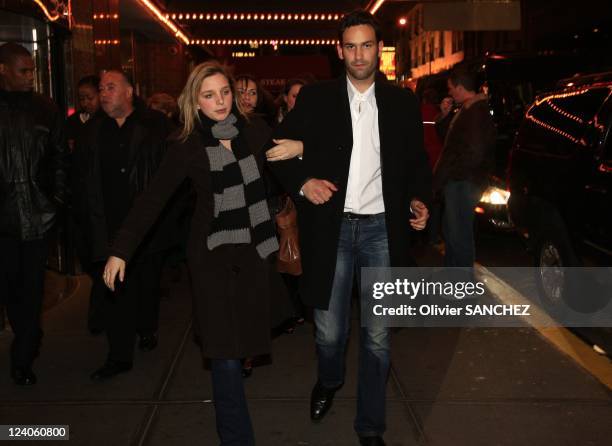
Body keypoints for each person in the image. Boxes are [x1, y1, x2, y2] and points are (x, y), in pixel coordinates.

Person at [102, 61, 291, 446]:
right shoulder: (186, 144)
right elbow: (151, 200)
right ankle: (237, 439)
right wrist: (121, 249)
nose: (220, 102)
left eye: (225, 92)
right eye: (209, 95)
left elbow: (290, 169)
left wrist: (303, 153)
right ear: (195, 101)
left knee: (242, 348)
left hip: (255, 254)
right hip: (211, 257)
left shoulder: (256, 129)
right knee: (223, 353)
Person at [266, 10, 432, 446]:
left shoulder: (402, 102)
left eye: (367, 45)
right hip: (332, 231)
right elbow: (273, 148)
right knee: (330, 331)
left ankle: (370, 426)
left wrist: (419, 200)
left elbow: (416, 163)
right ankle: (330, 379)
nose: (359, 54)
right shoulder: (318, 99)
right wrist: (303, 183)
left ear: (379, 49)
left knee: (378, 337)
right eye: (351, 46)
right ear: (340, 51)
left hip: (382, 230)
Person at [72, 70, 175, 381]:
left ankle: (146, 328)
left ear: (130, 91)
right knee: (114, 289)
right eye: (101, 88)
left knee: (146, 283)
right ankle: (119, 356)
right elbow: (81, 181)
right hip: (108, 226)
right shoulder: (92, 132)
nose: (104, 93)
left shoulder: (155, 126)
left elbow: (172, 175)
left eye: (111, 87)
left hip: (147, 227)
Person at [0, 42, 67, 385]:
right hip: (4, 222)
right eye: (23, 71)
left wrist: (54, 201)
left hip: (40, 219)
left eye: (32, 70)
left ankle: (22, 356)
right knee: (11, 289)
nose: (31, 77)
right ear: (3, 70)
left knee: (32, 288)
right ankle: (28, 336)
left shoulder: (46, 109)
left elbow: (59, 160)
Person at [433, 66, 496, 267]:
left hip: (463, 183)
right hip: (460, 181)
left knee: (459, 237)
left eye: (451, 88)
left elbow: (473, 153)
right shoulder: (468, 109)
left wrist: (452, 174)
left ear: (460, 87)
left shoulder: (475, 111)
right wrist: (444, 116)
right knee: (453, 232)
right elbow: (451, 142)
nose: (449, 92)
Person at [66, 75, 101, 152]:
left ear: (100, 95)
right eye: (82, 99)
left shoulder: (108, 118)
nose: (85, 103)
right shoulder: (73, 120)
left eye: (90, 98)